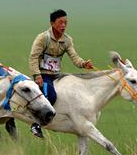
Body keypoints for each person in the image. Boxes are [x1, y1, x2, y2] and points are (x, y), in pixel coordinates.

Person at [28, 9, 94, 138]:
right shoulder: (43, 38)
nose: (63, 26)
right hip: (44, 75)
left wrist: (83, 64)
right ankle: (36, 124)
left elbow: (74, 57)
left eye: (65, 23)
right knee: (50, 96)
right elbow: (33, 57)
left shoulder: (67, 40)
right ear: (52, 23)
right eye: (60, 23)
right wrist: (37, 75)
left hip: (57, 74)